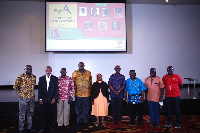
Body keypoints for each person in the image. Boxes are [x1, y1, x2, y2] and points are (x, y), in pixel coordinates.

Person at [13, 65, 37, 133]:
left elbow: (33, 86)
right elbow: (15, 87)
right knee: (22, 114)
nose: (29, 70)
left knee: (30, 113)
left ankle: (29, 127)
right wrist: (20, 94)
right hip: (23, 98)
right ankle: (21, 128)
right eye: (27, 69)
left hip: (31, 97)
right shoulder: (20, 77)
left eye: (30, 69)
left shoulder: (33, 77)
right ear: (24, 69)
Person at [38, 66, 58, 132]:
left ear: (51, 70)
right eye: (47, 69)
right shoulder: (41, 78)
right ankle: (44, 127)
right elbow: (39, 90)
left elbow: (56, 89)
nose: (48, 71)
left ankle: (50, 127)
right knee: (44, 113)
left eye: (49, 69)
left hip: (51, 99)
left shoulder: (55, 78)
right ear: (45, 70)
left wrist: (54, 98)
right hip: (43, 100)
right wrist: (40, 99)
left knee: (50, 114)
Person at [72, 62, 92, 126]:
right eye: (80, 65)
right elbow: (72, 84)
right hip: (78, 94)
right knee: (78, 108)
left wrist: (90, 92)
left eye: (82, 65)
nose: (81, 66)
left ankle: (86, 121)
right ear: (78, 66)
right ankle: (79, 121)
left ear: (84, 65)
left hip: (87, 94)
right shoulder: (74, 73)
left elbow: (90, 83)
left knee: (86, 108)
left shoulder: (88, 73)